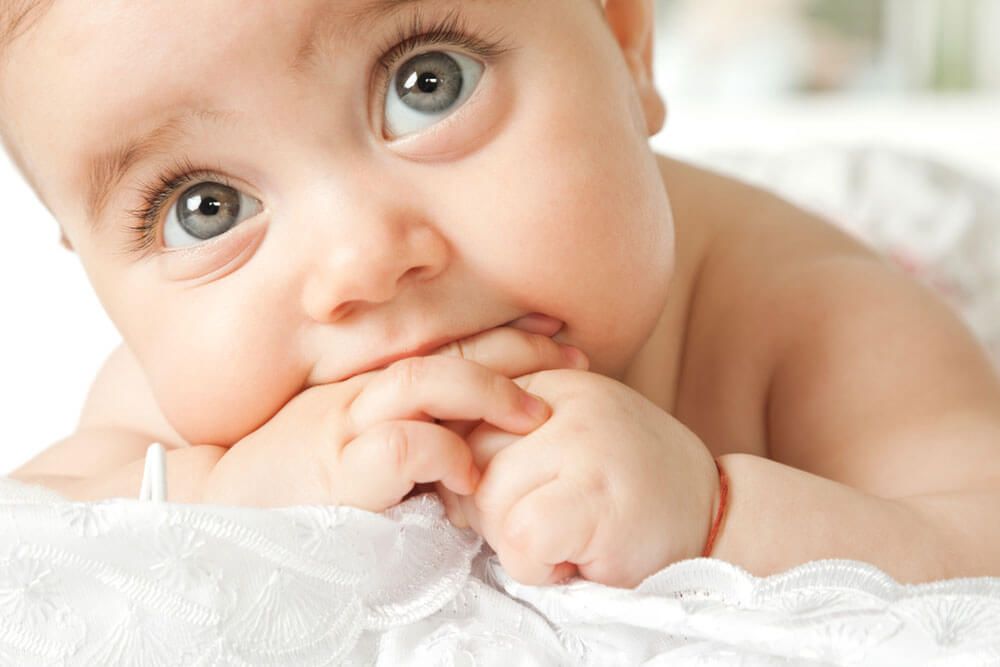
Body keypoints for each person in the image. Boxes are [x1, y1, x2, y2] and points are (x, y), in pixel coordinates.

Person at [2, 0, 999, 589]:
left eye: (425, 82)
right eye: (204, 207)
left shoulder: (816, 319)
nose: (359, 263)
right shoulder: (187, 406)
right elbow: (37, 535)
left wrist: (715, 513)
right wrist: (227, 491)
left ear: (624, 42)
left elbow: (972, 541)